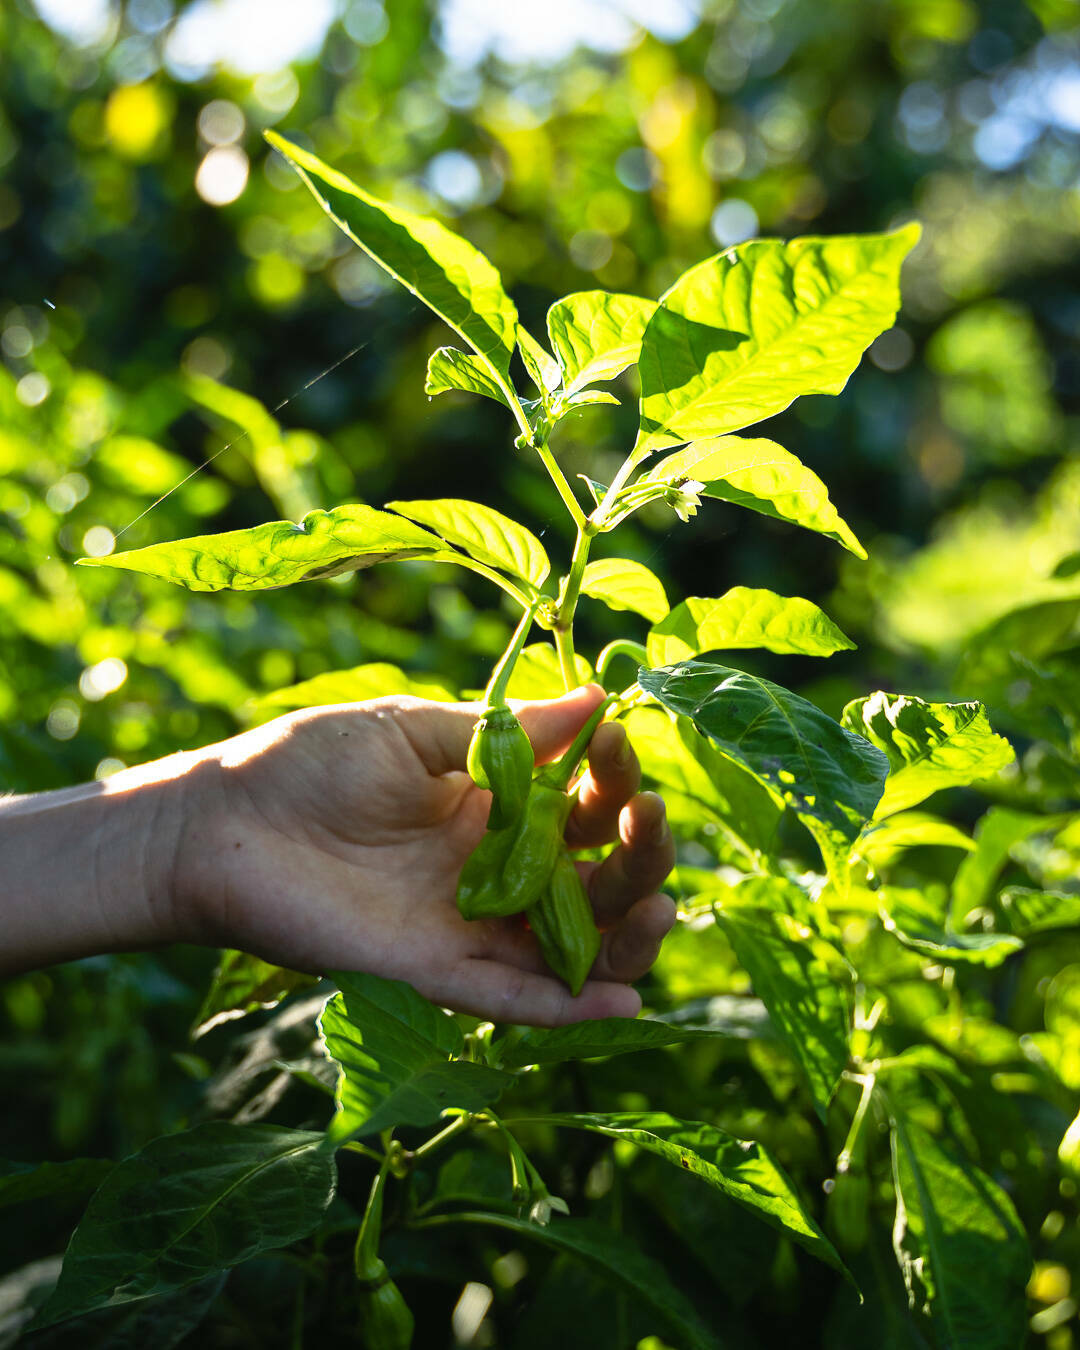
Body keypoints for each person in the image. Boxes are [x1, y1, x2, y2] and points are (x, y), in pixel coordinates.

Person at [0, 684, 675, 1026]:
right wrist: (192, 828)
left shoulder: (519, 820)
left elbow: (489, 882)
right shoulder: (517, 819)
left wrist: (190, 828)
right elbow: (490, 883)